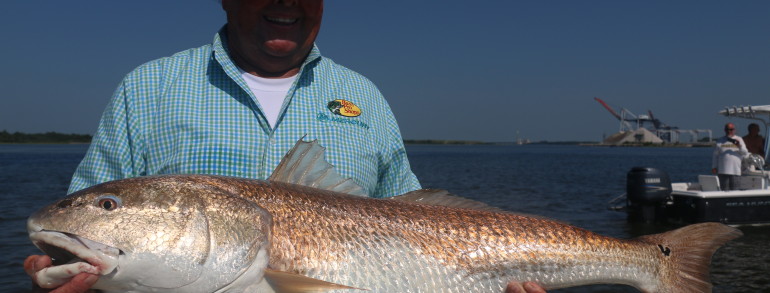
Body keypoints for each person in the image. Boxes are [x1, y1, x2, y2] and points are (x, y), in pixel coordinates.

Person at [24, 0, 546, 292]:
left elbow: (416, 217)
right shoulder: (147, 87)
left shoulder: (363, 94)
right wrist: (51, 265)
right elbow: (77, 222)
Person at [712, 122, 749, 190]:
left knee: (735, 191)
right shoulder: (720, 140)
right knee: (724, 191)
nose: (729, 131)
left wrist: (739, 146)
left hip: (735, 171)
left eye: (731, 129)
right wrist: (714, 167)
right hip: (722, 171)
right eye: (727, 129)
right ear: (725, 130)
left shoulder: (739, 139)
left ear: (734, 130)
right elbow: (715, 155)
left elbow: (745, 152)